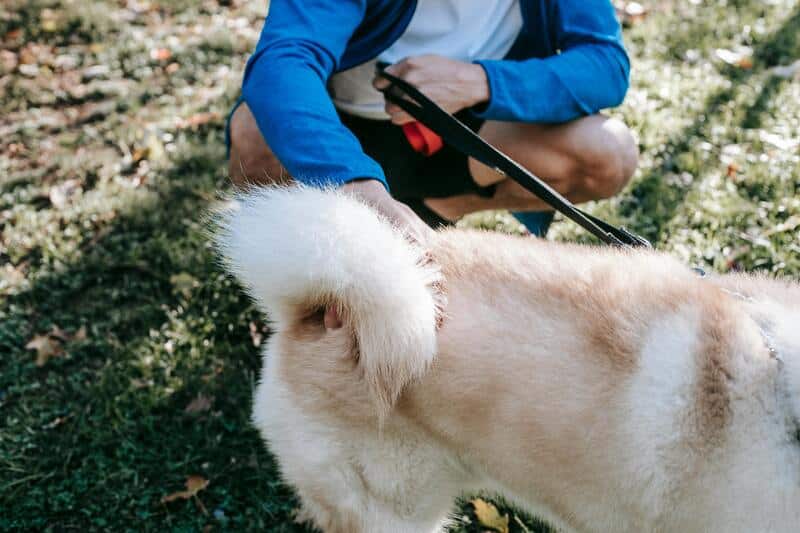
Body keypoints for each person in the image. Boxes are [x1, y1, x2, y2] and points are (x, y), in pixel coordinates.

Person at [228, 0, 638, 244]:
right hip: (342, 129)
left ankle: (435, 211)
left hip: (475, 130)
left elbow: (605, 65)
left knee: (608, 153)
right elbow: (282, 64)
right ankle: (305, 267)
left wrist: (479, 81)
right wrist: (353, 185)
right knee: (254, 137)